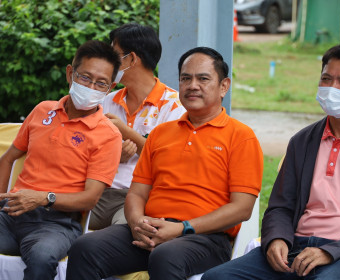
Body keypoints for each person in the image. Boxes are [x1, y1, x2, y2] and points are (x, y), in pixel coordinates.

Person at [66, 46, 264, 280]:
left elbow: (241, 208)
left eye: (203, 79)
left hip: (205, 237)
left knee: (165, 255)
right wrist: (138, 223)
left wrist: (183, 228)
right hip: (150, 229)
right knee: (85, 248)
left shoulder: (241, 137)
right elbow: (137, 194)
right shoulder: (161, 134)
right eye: (185, 78)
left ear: (224, 86)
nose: (192, 85)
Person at [202, 43, 340, 280]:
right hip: (296, 247)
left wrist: (331, 251)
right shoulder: (302, 141)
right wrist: (277, 239)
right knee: (217, 278)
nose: (331, 88)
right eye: (326, 79)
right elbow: (280, 206)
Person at [0, 40, 122, 280]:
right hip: (12, 212)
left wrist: (43, 198)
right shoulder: (43, 111)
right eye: (85, 78)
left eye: (101, 83)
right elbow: (8, 159)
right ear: (70, 73)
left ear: (111, 87)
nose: (91, 87)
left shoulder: (108, 135)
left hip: (58, 224)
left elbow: (90, 198)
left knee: (41, 260)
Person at [89, 23, 186, 230]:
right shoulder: (106, 101)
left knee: (116, 238)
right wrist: (113, 155)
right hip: (98, 193)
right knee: (59, 223)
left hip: (143, 198)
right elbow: (85, 151)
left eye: (113, 55)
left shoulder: (174, 106)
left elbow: (168, 161)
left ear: (131, 59)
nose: (108, 63)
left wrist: (127, 133)